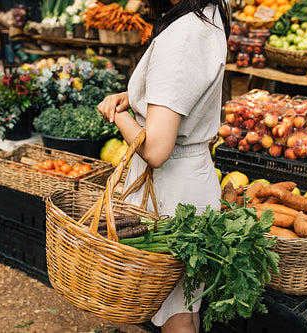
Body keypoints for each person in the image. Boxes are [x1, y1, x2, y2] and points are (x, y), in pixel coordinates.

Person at [96, 0, 230, 331]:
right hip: (192, 180)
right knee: (186, 305)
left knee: (177, 318)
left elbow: (155, 149)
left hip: (171, 196)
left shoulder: (182, 37)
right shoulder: (210, 12)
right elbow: (185, 90)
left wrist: (119, 116)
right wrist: (142, 100)